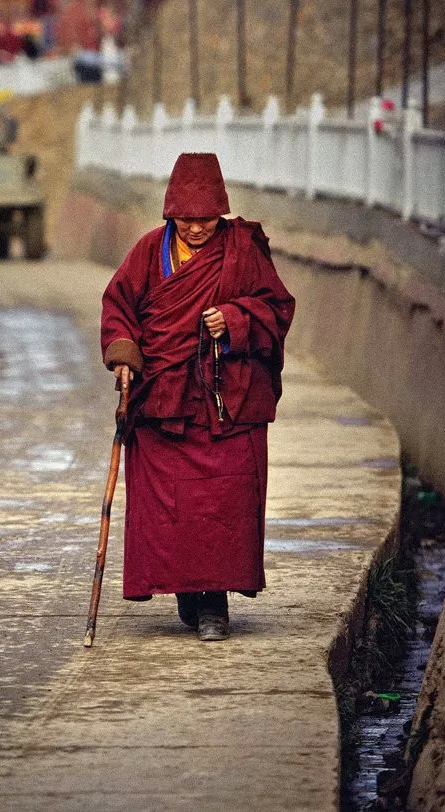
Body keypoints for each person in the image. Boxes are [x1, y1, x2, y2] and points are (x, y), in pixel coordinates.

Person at [101, 153, 295, 640]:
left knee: (221, 505)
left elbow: (278, 308)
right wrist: (124, 355)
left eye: (206, 219)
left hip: (225, 401)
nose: (196, 229)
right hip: (163, 403)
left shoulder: (243, 250)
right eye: (186, 220)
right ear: (171, 215)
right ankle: (190, 594)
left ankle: (216, 604)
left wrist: (234, 320)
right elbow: (119, 307)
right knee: (174, 510)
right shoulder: (148, 251)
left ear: (221, 214)